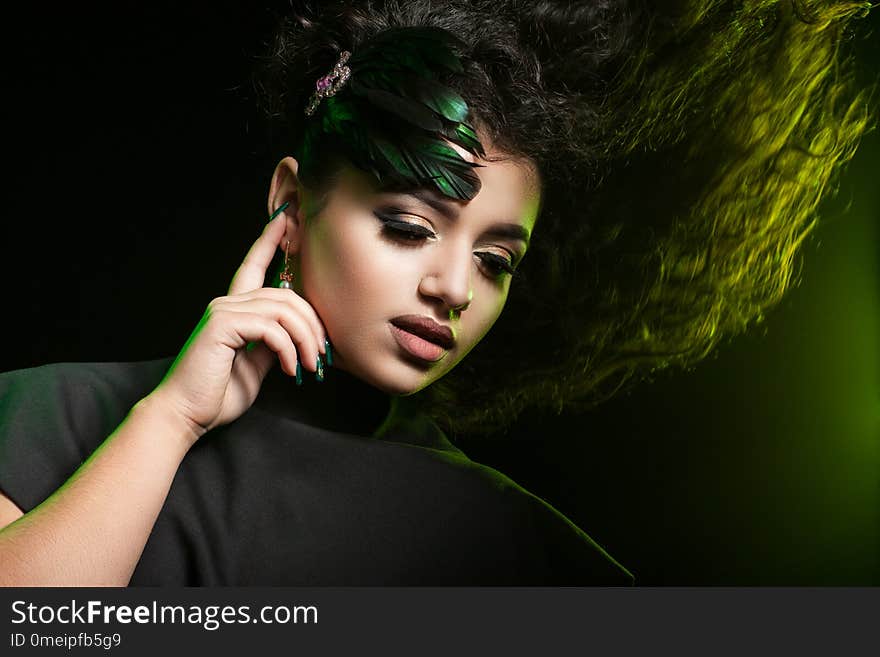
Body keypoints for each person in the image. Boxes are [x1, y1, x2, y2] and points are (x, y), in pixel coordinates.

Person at [0, 0, 873, 585]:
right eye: (411, 227)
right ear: (291, 203)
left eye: (497, 260)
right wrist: (169, 420)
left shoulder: (512, 542)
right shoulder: (54, 414)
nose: (453, 286)